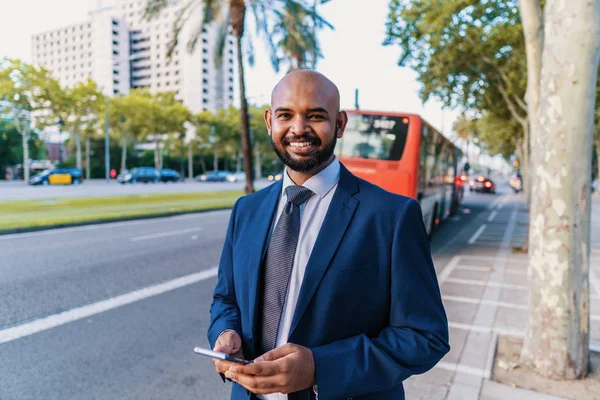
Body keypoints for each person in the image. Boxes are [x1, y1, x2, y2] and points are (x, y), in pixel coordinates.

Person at [207, 70, 449, 400]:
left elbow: (424, 336)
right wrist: (226, 331)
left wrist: (320, 368)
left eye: (316, 115)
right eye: (285, 115)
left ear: (340, 124)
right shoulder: (245, 210)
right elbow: (226, 299)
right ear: (269, 122)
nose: (298, 128)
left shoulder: (391, 215)